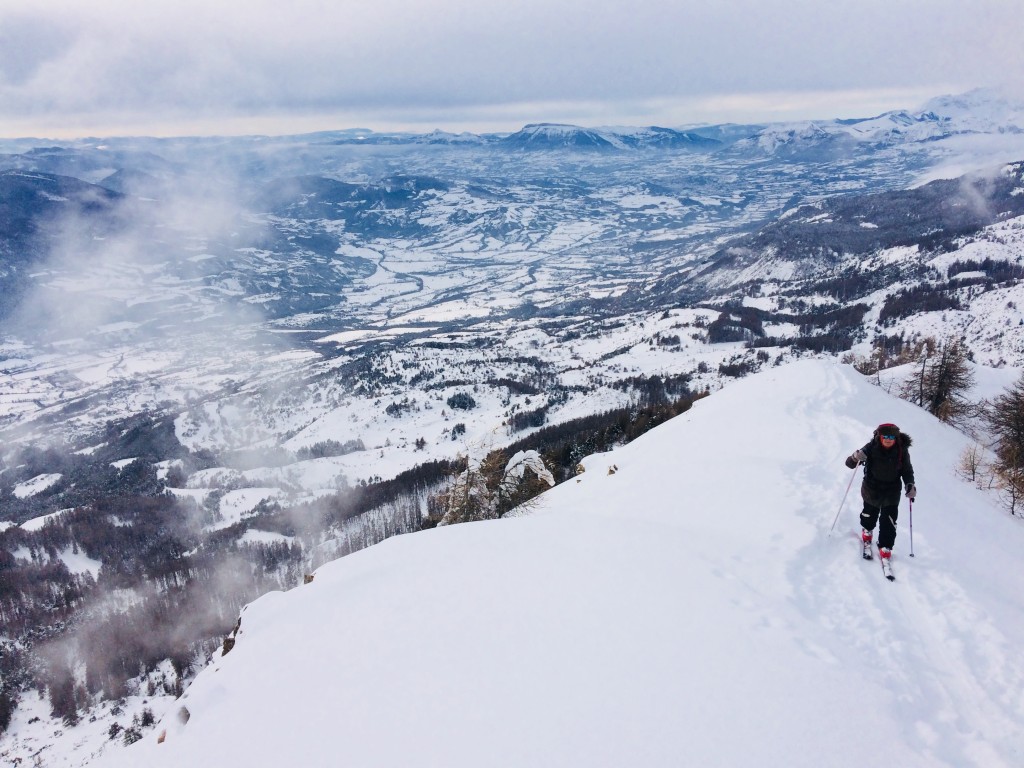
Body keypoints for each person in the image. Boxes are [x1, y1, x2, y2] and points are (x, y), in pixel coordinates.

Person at [845, 423, 916, 560]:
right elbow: (849, 464)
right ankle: (867, 531)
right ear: (880, 436)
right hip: (872, 489)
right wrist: (855, 457)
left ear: (896, 438)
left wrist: (910, 484)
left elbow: (907, 470)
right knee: (869, 515)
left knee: (889, 521)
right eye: (885, 436)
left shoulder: (902, 451)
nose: (888, 439)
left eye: (891, 437)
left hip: (892, 491)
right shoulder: (871, 447)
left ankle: (886, 545)